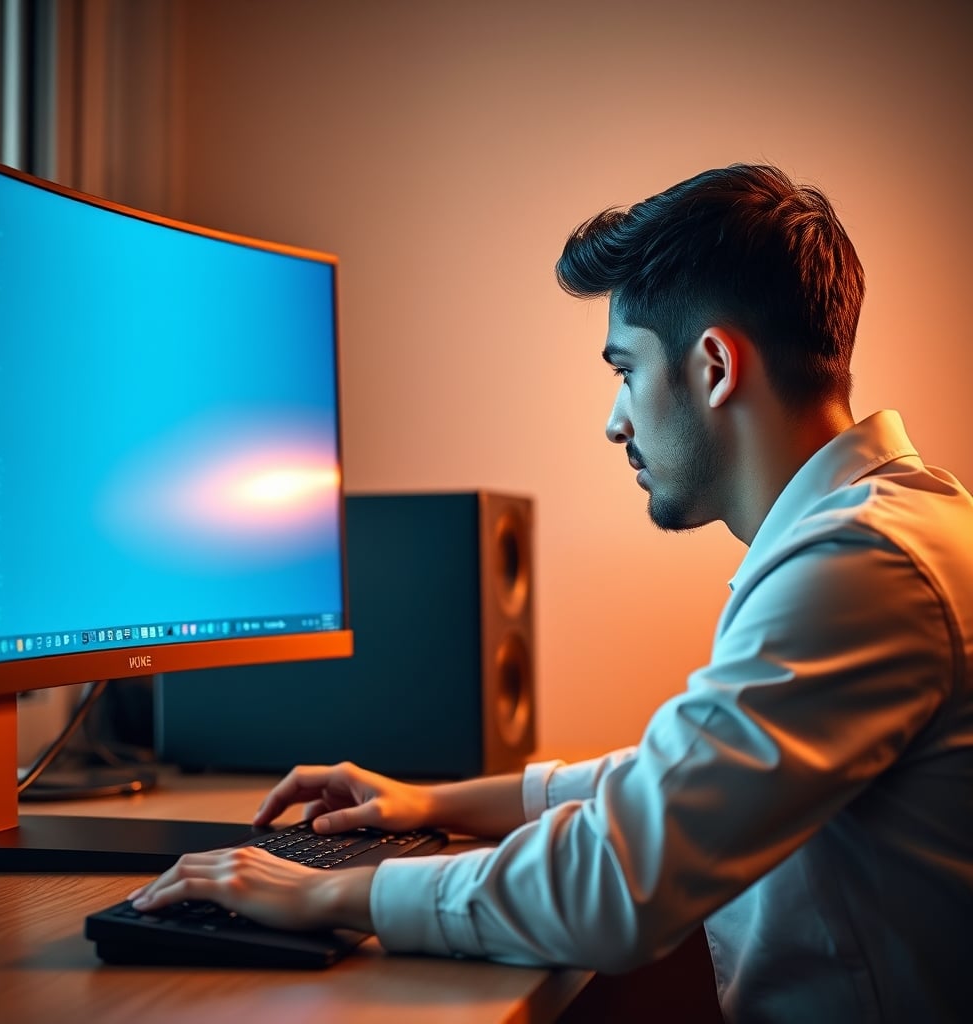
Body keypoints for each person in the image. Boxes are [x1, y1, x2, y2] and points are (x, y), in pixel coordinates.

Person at [130, 165, 973, 1023]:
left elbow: (620, 880)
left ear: (716, 366)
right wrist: (434, 803)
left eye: (625, 370)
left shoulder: (861, 564)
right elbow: (681, 781)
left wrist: (328, 894)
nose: (616, 421)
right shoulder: (881, 530)